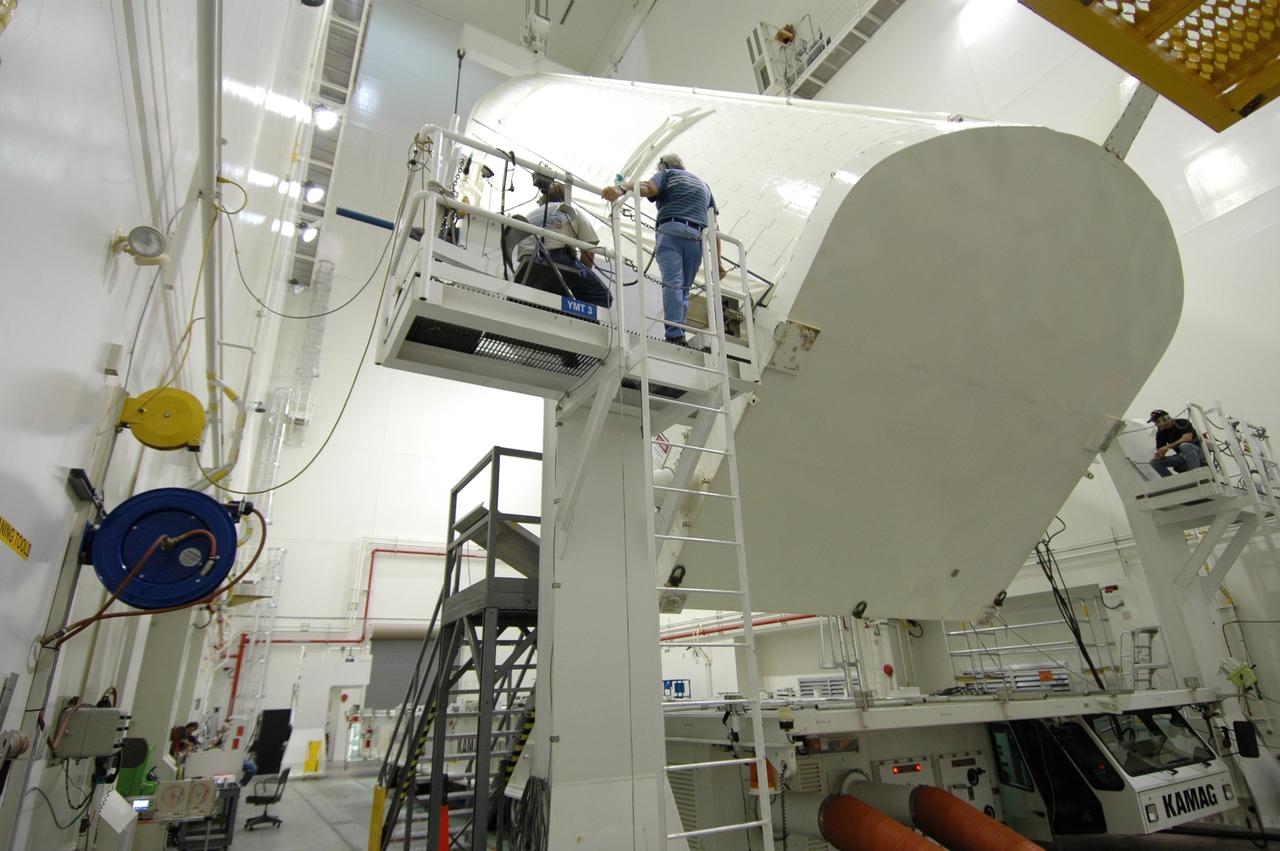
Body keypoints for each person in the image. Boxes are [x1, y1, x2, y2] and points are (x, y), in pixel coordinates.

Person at [602, 154, 725, 347]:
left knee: (673, 283)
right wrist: (718, 262)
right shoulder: (704, 186)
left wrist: (621, 187)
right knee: (683, 289)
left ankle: (674, 335)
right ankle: (678, 332)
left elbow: (649, 188)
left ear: (664, 166)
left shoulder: (666, 174)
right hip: (696, 239)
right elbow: (714, 227)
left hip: (671, 232)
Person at [514, 181, 613, 309]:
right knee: (602, 297)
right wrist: (583, 273)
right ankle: (576, 323)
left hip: (526, 267)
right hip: (558, 261)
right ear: (566, 197)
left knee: (562, 294)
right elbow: (588, 250)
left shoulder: (529, 215)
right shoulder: (571, 211)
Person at [1149, 409, 1207, 477]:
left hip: (1197, 453)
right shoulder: (1160, 433)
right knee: (1154, 462)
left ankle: (1198, 474)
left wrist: (1168, 446)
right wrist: (1160, 454)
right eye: (1155, 423)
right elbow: (1161, 449)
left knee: (1184, 446)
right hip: (1181, 456)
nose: (1156, 425)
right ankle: (1172, 482)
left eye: (1157, 421)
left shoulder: (1182, 422)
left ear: (1166, 418)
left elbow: (1187, 438)